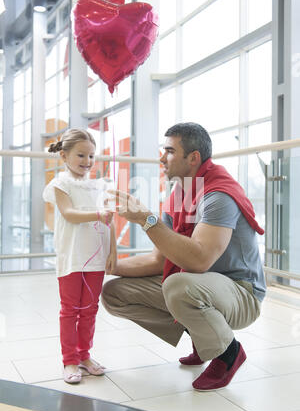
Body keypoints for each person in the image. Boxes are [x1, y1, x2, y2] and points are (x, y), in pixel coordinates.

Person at [101, 122, 266, 391]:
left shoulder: (218, 195)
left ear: (193, 158)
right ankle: (205, 338)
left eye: (168, 151)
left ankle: (229, 353)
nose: (161, 158)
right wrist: (109, 266)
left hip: (241, 293)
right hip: (202, 286)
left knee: (178, 285)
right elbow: (159, 261)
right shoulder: (178, 194)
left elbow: (199, 260)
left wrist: (146, 219)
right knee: (115, 293)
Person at [43, 129, 116, 384]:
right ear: (64, 155)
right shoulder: (60, 185)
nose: (87, 161)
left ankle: (85, 356)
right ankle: (70, 360)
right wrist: (97, 215)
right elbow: (69, 213)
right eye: (81, 155)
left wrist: (112, 253)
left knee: (89, 309)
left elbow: (111, 222)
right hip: (72, 257)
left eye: (91, 156)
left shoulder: (101, 186)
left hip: (96, 258)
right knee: (70, 310)